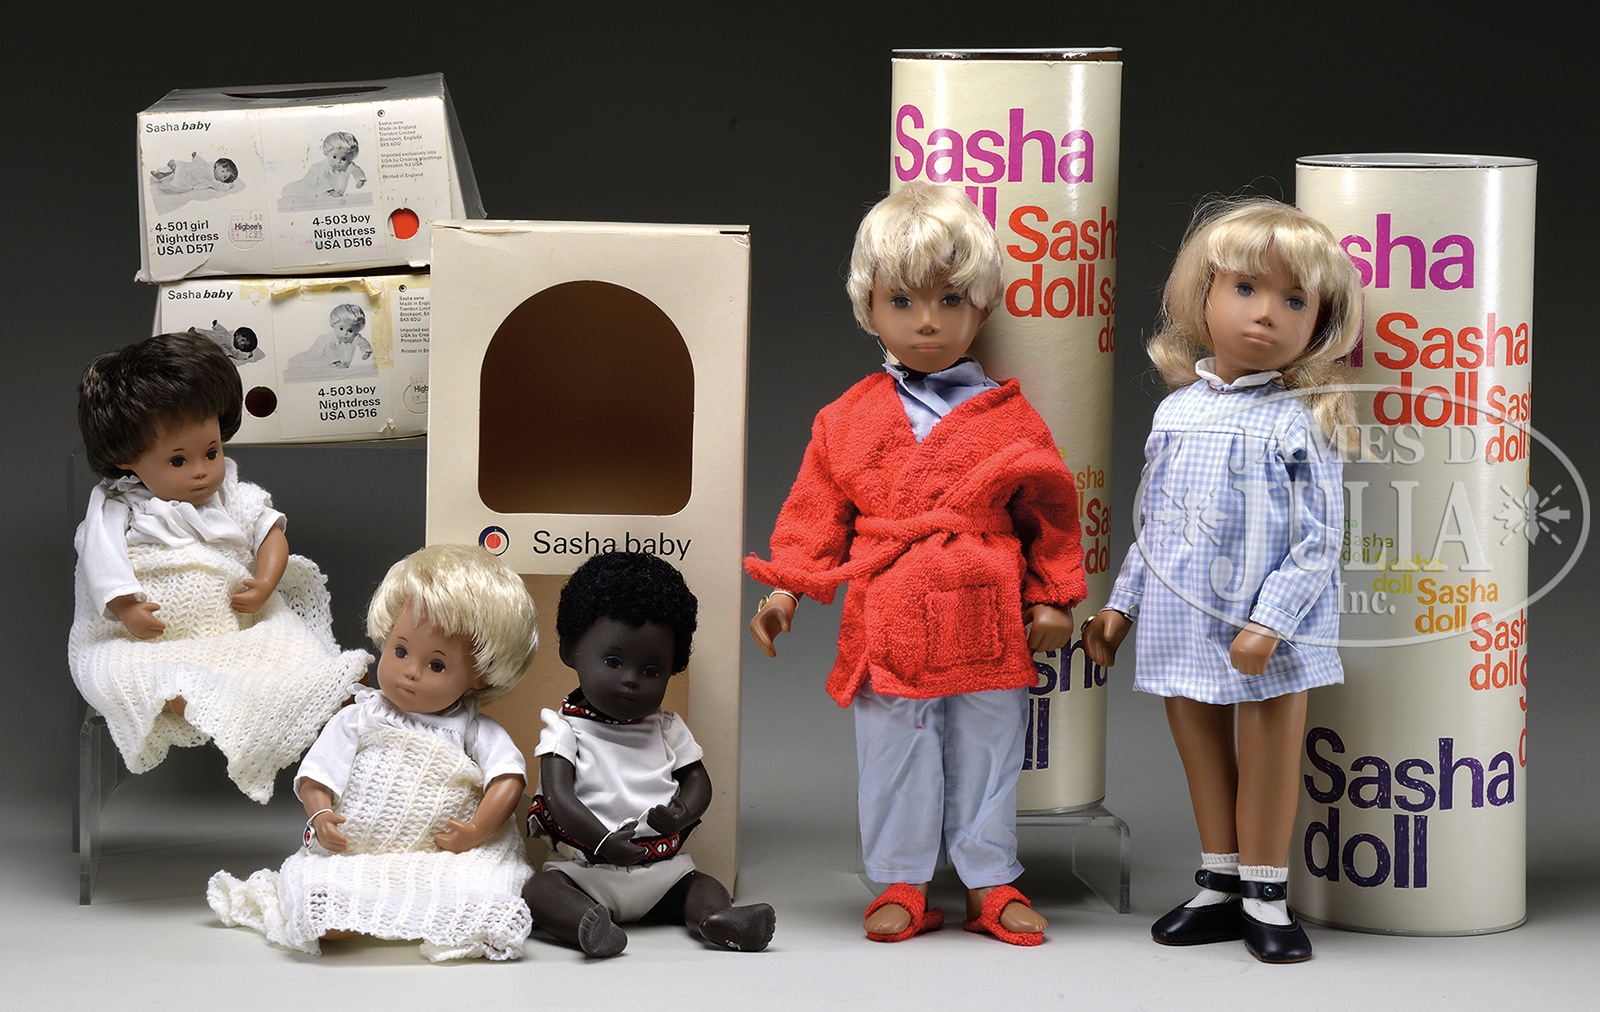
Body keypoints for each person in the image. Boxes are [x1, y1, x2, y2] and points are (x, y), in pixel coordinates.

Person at [745, 182, 1086, 946]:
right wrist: (785, 593)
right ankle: (902, 877)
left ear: (982, 307)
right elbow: (814, 513)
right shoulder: (845, 418)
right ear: (869, 308)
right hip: (890, 608)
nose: (927, 320)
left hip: (983, 606)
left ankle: (990, 880)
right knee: (892, 745)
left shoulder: (1008, 416)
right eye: (902, 301)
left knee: (990, 746)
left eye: (950, 299)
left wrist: (1053, 595)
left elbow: (1050, 510)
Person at [1081, 197, 1363, 963]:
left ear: (1321, 322)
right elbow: (1155, 523)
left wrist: (1270, 620)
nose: (1266, 313)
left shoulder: (1300, 418)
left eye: (1295, 300)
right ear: (1201, 296)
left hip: (1272, 630)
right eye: (1245, 288)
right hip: (1183, 615)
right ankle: (1222, 879)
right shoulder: (1177, 412)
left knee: (1270, 749)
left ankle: (1267, 893)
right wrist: (1120, 607)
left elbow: (1321, 540)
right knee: (1200, 744)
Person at [69, 331, 368, 801]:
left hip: (236, 630)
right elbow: (99, 559)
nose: (202, 470)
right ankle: (192, 698)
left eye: (211, 451)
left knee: (293, 651)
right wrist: (125, 606)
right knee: (129, 672)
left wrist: (265, 581)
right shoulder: (116, 507)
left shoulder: (229, 493)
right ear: (129, 459)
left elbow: (269, 533)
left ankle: (316, 691)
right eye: (178, 460)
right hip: (154, 643)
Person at [208, 543, 540, 961]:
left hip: (441, 853)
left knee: (484, 884)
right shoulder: (359, 717)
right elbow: (318, 774)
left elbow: (507, 779)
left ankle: (447, 915)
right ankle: (351, 908)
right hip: (360, 850)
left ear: (480, 676)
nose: (410, 671)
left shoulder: (474, 729)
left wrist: (476, 829)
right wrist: (320, 815)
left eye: (436, 665)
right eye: (400, 651)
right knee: (320, 891)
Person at [524, 551, 775, 957]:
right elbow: (559, 797)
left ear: (673, 667)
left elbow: (698, 781)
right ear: (570, 650)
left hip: (662, 872)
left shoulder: (666, 727)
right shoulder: (564, 728)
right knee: (540, 889)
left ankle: (716, 919)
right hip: (587, 871)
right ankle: (589, 926)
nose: (631, 680)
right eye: (613, 661)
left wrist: (680, 814)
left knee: (702, 885)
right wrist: (603, 842)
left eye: (652, 670)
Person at [281, 130, 367, 199]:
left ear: (350, 157)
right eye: (334, 157)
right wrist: (331, 191)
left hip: (332, 195)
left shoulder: (347, 165)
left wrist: (360, 180)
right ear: (327, 153)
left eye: (343, 158)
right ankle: (288, 190)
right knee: (298, 191)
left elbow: (356, 170)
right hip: (310, 188)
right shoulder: (320, 167)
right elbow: (323, 180)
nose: (338, 161)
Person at [151, 151, 238, 194]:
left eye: (224, 177)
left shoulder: (214, 181)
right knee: (179, 166)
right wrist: (196, 157)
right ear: (217, 165)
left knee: (180, 173)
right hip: (190, 167)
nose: (222, 175)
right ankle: (161, 174)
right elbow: (201, 162)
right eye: (223, 171)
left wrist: (229, 185)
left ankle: (174, 168)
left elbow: (220, 187)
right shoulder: (208, 166)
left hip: (191, 179)